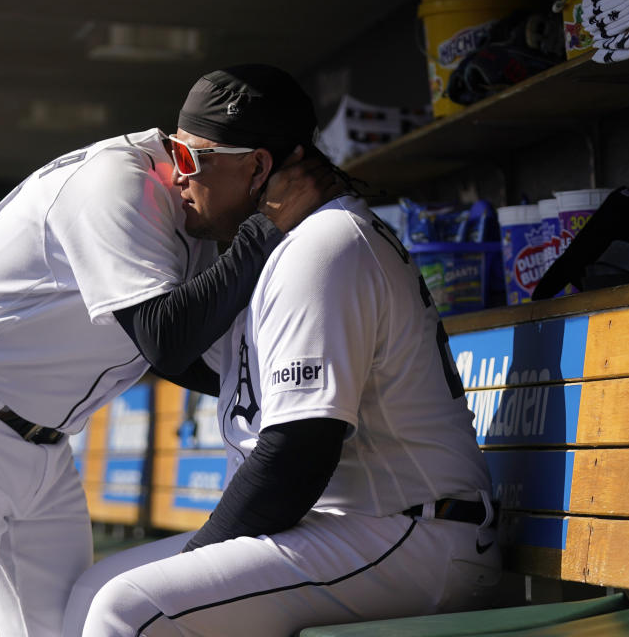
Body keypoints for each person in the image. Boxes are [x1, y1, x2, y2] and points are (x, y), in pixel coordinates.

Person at [67, 64, 502, 637]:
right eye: (173, 151)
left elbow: (298, 453)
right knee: (92, 593)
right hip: (349, 528)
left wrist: (199, 557)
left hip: (414, 536)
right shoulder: (281, 247)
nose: (175, 175)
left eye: (193, 158)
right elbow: (176, 352)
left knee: (132, 608)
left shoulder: (325, 246)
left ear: (257, 166)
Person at [0, 121, 339, 635]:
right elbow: (166, 341)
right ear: (252, 165)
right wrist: (265, 228)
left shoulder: (187, 222)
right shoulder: (117, 180)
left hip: (43, 444)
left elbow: (198, 357)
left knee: (68, 627)